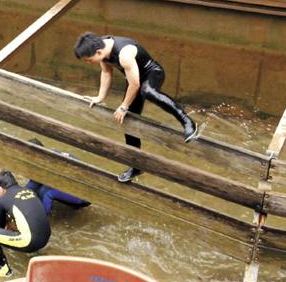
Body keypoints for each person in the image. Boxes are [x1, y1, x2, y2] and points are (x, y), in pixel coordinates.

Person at [73, 32, 198, 183]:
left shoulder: (123, 54)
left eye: (89, 60)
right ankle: (137, 165)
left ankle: (187, 121)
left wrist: (124, 106)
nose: (89, 62)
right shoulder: (102, 48)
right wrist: (99, 97)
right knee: (128, 122)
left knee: (148, 91)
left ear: (98, 52)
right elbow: (106, 73)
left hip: (152, 73)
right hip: (133, 78)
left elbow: (135, 85)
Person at [0, 170, 51, 277]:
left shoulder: (2, 201)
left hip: (31, 242)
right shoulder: (28, 191)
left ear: (1, 189)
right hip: (45, 238)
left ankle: (4, 269)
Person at [25, 138, 91, 215]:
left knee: (46, 192)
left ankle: (40, 220)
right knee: (39, 189)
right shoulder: (46, 156)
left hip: (84, 195)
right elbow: (32, 185)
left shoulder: (51, 161)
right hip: (75, 185)